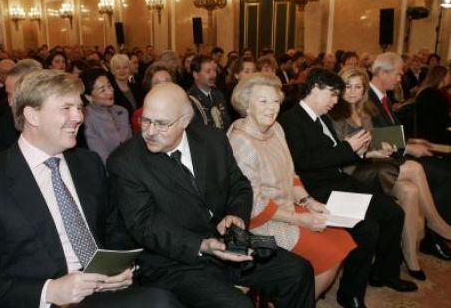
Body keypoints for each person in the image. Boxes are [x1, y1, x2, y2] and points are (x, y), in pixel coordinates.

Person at [0, 69, 184, 308]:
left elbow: (115, 229)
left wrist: (120, 268)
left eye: (79, 107)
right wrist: (49, 291)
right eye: (66, 108)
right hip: (38, 300)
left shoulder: (88, 164)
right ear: (32, 115)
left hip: (102, 291)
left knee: (165, 298)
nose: (78, 117)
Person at [106, 82, 315, 308]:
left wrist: (236, 215)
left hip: (227, 241)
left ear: (185, 121)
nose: (150, 131)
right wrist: (202, 245)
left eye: (162, 123)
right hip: (175, 259)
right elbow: (145, 226)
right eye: (145, 120)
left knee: (298, 271)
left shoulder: (212, 140)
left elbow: (239, 185)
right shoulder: (125, 161)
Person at [279, 68, 417, 308]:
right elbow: (303, 162)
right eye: (332, 94)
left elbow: (337, 155)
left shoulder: (321, 116)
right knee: (367, 228)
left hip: (341, 183)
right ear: (315, 89)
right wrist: (347, 147)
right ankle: (350, 293)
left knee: (394, 212)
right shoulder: (291, 120)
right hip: (318, 190)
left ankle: (384, 273)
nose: (335, 100)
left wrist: (367, 153)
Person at [227, 73, 355, 299]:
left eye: (275, 101)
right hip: (261, 222)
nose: (271, 108)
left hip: (287, 207)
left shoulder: (276, 129)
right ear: (246, 105)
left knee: (342, 239)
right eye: (263, 101)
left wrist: (308, 201)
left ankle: (297, 299)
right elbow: (254, 204)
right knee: (331, 254)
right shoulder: (241, 142)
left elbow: (291, 174)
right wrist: (300, 219)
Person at [329, 67, 451, 280]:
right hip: (350, 170)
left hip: (369, 165)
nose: (353, 92)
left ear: (363, 90)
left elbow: (371, 141)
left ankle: (409, 256)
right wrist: (373, 151)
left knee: (410, 191)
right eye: (348, 86)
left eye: (358, 87)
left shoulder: (364, 111)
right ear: (340, 88)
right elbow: (342, 152)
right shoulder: (335, 113)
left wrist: (382, 148)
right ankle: (436, 223)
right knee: (414, 167)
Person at [369, 52, 451, 260]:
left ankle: (426, 240)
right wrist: (408, 148)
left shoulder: (381, 96)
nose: (400, 79)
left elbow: (390, 130)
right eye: (397, 74)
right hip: (380, 160)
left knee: (438, 171)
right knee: (444, 174)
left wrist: (413, 141)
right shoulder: (366, 96)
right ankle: (434, 233)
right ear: (381, 73)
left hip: (395, 153)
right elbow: (371, 136)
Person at [0, 59, 43, 157]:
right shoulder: (0, 129)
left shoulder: (62, 119)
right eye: (8, 94)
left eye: (15, 95)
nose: (10, 103)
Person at [81, 68, 132, 163]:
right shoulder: (86, 119)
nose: (110, 91)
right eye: (102, 90)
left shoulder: (122, 111)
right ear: (88, 97)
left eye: (109, 86)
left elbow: (132, 146)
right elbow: (103, 159)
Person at [187, 55, 232, 131]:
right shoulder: (190, 99)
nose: (213, 75)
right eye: (208, 71)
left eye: (214, 70)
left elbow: (226, 121)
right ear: (196, 75)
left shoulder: (218, 94)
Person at [414, 65, 451, 144]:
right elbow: (442, 120)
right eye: (448, 74)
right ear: (441, 76)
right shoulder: (433, 94)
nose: (450, 77)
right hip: (432, 136)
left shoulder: (429, 92)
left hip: (430, 133)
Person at [109, 53, 144, 119]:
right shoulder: (110, 92)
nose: (122, 71)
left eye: (125, 67)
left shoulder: (137, 87)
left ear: (129, 69)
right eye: (118, 68)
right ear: (112, 71)